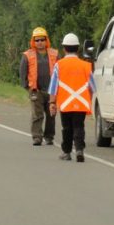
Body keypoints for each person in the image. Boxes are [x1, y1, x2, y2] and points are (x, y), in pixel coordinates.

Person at [48, 33, 95, 162]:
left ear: (64, 48)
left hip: (65, 104)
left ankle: (66, 152)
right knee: (79, 126)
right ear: (78, 48)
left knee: (67, 128)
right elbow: (92, 87)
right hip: (81, 104)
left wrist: (52, 103)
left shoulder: (59, 65)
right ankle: (79, 150)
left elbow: (53, 86)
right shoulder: (85, 65)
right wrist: (88, 101)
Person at [19, 26, 58, 146]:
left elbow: (60, 71)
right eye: (37, 40)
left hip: (51, 91)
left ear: (46, 40)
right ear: (33, 41)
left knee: (51, 115)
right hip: (36, 90)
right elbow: (23, 72)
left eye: (42, 39)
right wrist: (27, 88)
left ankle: (49, 137)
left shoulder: (54, 53)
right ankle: (37, 137)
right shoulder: (27, 55)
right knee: (37, 115)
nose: (40, 42)